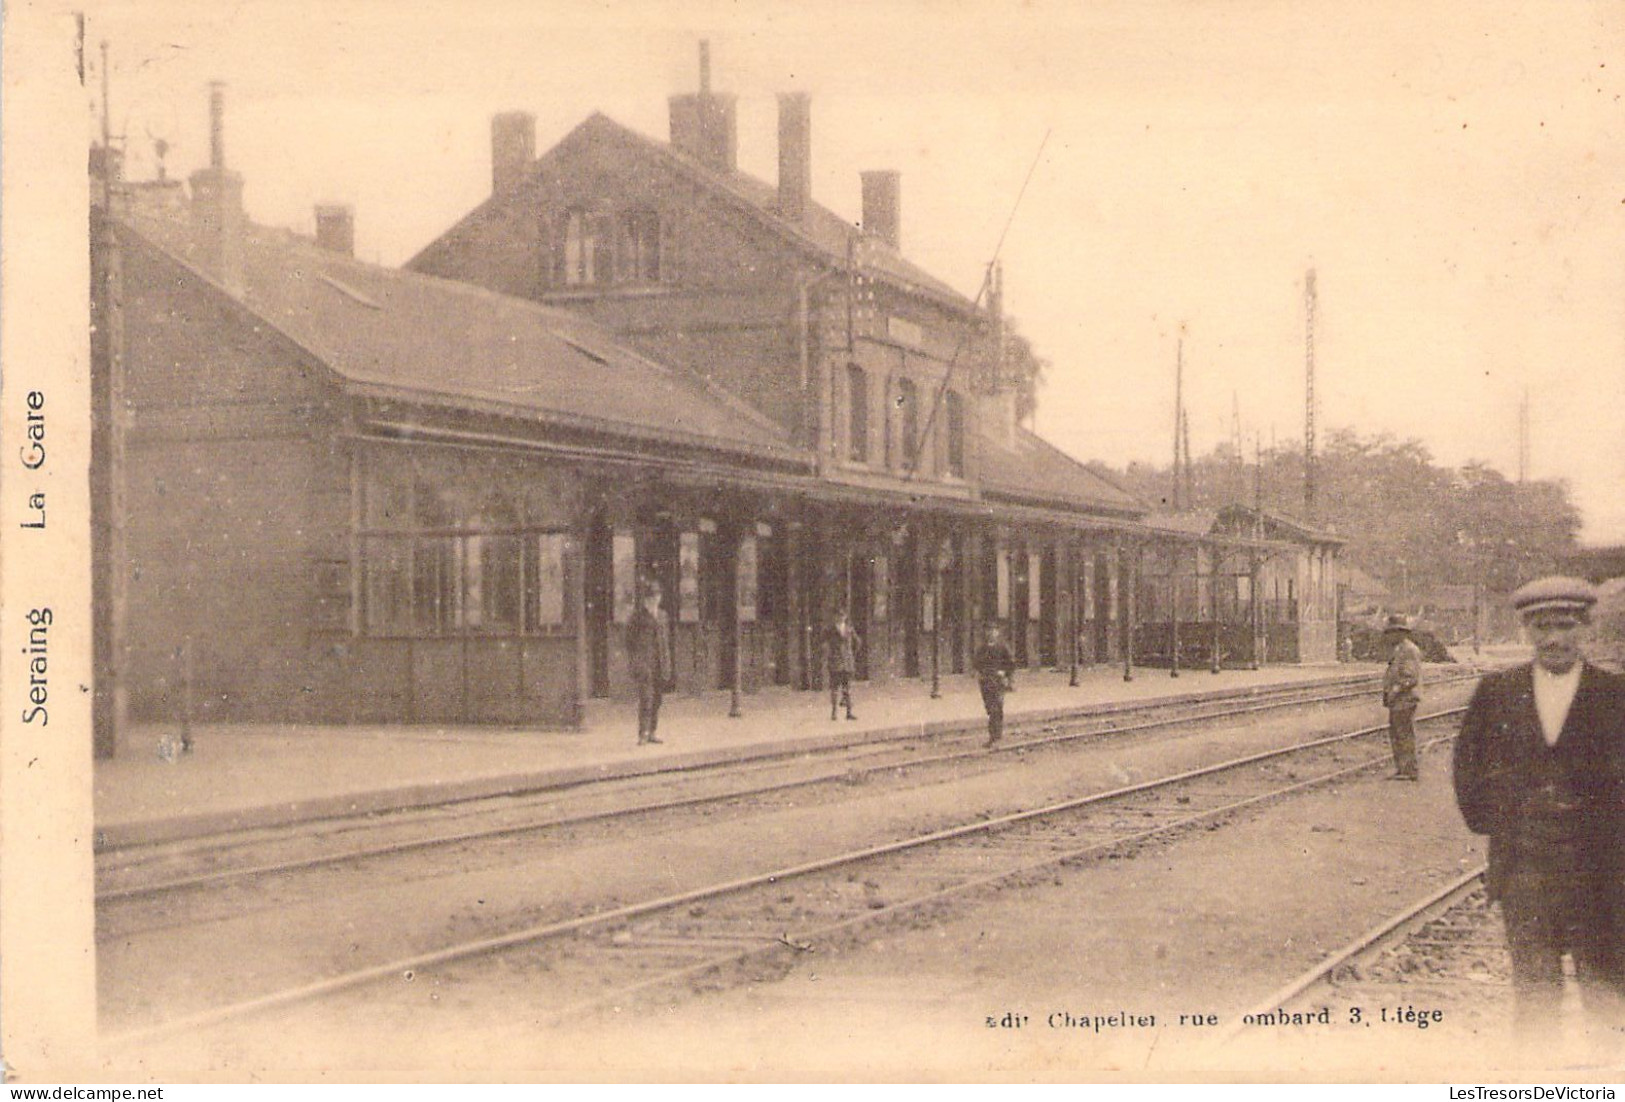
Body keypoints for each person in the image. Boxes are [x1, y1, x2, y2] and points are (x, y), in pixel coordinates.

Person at [1452, 575, 1625, 1039]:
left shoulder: (1616, 696)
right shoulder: (1496, 693)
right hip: (1525, 873)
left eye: (1565, 626)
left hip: (1603, 874)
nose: (1553, 638)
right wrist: (1504, 823)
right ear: (1527, 630)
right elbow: (1468, 767)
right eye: (1542, 626)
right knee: (1533, 994)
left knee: (1609, 992)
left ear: (1585, 628)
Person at [627, 581, 672, 745]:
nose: (655, 600)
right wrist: (636, 662)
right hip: (645, 664)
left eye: (657, 596)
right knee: (646, 698)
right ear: (645, 600)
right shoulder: (638, 617)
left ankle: (653, 731)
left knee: (658, 699)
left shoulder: (662, 616)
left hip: (659, 663)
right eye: (651, 597)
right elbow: (629, 641)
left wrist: (667, 664)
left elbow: (665, 642)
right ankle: (643, 733)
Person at [1381, 613, 1423, 780]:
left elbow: (1410, 677)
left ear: (1401, 632)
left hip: (1405, 699)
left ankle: (1408, 770)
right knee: (1398, 733)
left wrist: (1395, 690)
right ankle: (1402, 769)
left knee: (1404, 733)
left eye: (1393, 632)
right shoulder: (1400, 649)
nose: (1390, 635)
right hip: (1398, 700)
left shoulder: (1409, 650)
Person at [972, 623, 1017, 747]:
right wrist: (980, 673)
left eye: (993, 630)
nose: (990, 633)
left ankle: (995, 736)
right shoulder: (982, 648)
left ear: (997, 633)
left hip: (998, 681)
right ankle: (995, 735)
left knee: (996, 708)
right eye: (988, 630)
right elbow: (976, 663)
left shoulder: (1002, 647)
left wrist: (1005, 673)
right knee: (989, 707)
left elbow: (1011, 663)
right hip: (986, 681)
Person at [826, 608, 861, 721]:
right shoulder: (830, 629)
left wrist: (851, 654)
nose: (840, 618)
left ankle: (849, 713)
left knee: (847, 688)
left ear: (845, 617)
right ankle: (834, 713)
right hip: (835, 661)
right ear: (835, 617)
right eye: (838, 615)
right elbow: (824, 643)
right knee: (835, 689)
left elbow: (858, 642)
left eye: (842, 616)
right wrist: (829, 654)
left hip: (846, 661)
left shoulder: (849, 629)